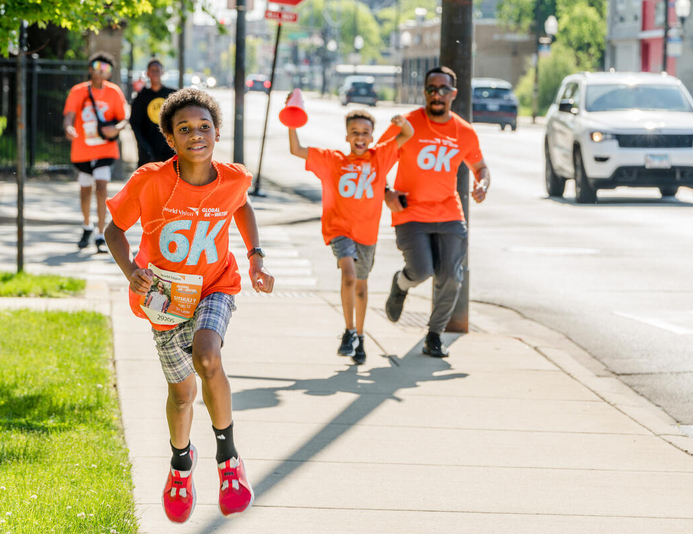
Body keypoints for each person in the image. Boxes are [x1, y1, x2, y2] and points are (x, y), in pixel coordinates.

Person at [104, 88, 274, 523]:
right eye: (184, 129)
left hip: (216, 285)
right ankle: (181, 464)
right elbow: (113, 231)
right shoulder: (150, 180)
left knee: (207, 357)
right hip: (163, 297)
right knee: (181, 395)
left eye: (204, 127)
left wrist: (255, 258)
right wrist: (131, 272)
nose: (195, 135)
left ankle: (228, 459)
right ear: (170, 138)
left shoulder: (233, 178)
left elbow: (243, 207)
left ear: (216, 132)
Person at [380, 66, 491, 358]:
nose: (437, 95)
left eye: (443, 90)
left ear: (453, 94)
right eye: (431, 89)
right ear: (425, 92)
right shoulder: (406, 125)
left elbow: (480, 167)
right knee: (421, 271)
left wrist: (483, 184)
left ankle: (434, 335)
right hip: (410, 212)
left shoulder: (464, 132)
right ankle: (400, 284)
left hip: (449, 212)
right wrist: (386, 193)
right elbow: (376, 161)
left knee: (452, 277)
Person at [287, 108, 413, 364]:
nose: (360, 137)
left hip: (367, 235)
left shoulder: (380, 157)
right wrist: (292, 120)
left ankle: (360, 336)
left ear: (371, 136)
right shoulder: (333, 161)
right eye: (354, 132)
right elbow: (296, 149)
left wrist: (403, 123)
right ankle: (349, 331)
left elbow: (406, 135)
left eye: (365, 132)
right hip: (340, 231)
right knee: (349, 277)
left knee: (362, 288)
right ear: (346, 136)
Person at [63, 51, 128, 253]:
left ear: (110, 72)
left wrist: (116, 128)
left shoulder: (114, 92)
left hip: (105, 149)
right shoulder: (78, 91)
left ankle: (101, 233)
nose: (101, 72)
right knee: (85, 189)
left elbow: (123, 118)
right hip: (82, 149)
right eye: (97, 66)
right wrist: (68, 128)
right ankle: (86, 226)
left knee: (101, 187)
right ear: (90, 68)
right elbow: (69, 116)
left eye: (106, 68)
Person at [130, 58, 176, 167]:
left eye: (157, 70)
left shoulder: (172, 95)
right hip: (147, 151)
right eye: (152, 70)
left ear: (163, 72)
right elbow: (135, 124)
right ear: (147, 73)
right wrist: (143, 146)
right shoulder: (140, 97)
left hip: (169, 149)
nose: (155, 73)